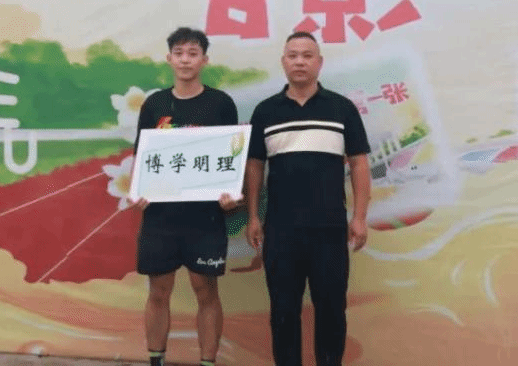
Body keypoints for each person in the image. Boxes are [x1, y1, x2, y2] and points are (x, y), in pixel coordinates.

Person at [243, 31, 371, 366]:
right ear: (283, 61)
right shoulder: (266, 111)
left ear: (319, 62)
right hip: (280, 231)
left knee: (331, 309)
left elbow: (359, 163)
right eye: (293, 55)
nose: (300, 62)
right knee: (283, 311)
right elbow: (254, 166)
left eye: (307, 55)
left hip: (329, 229)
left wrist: (359, 217)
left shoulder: (341, 108)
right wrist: (253, 215)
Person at [130, 26, 242, 366]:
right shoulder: (155, 104)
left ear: (204, 60)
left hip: (205, 218)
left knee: (206, 291)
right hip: (160, 217)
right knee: (158, 291)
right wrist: (139, 190)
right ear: (169, 59)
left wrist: (231, 195)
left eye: (193, 53)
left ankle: (208, 361)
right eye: (179, 53)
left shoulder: (221, 104)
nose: (185, 60)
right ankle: (156, 359)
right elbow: (142, 156)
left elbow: (231, 157)